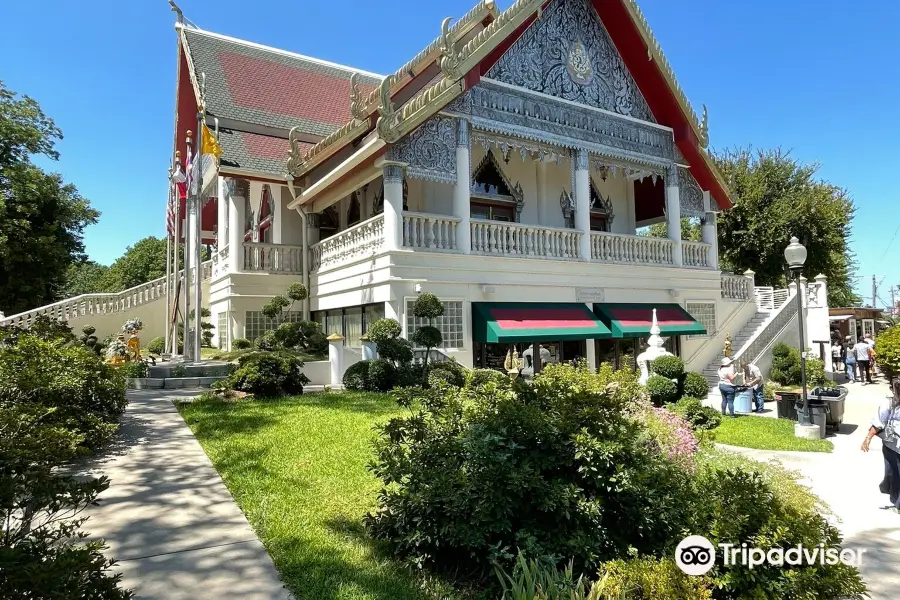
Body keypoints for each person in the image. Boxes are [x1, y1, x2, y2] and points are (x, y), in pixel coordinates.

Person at [861, 379, 900, 512]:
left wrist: (868, 438)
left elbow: (879, 423)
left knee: (894, 473)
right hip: (893, 445)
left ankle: (897, 502)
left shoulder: (889, 402)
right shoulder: (889, 403)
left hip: (893, 445)